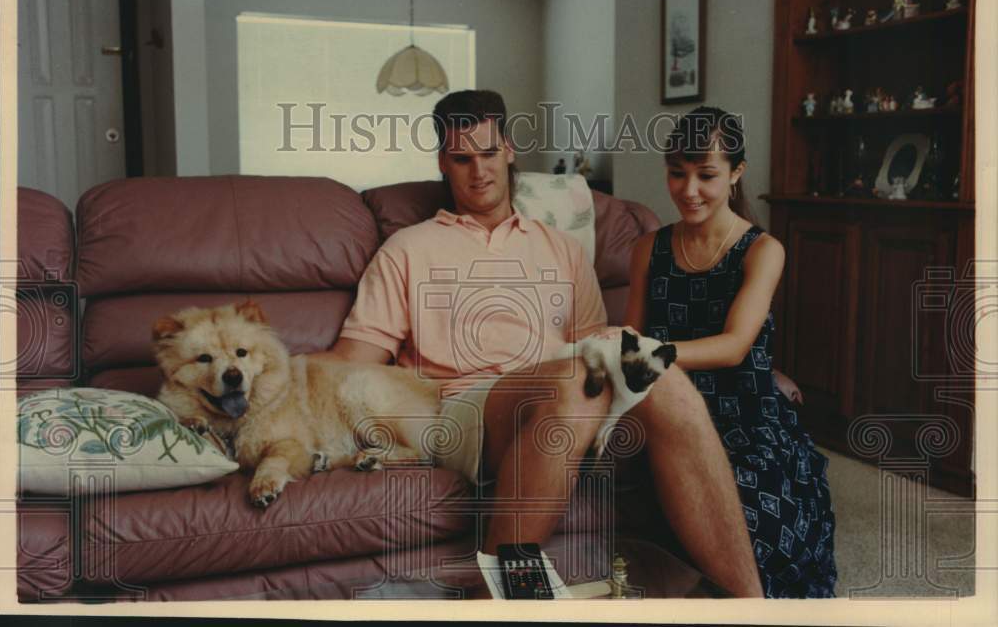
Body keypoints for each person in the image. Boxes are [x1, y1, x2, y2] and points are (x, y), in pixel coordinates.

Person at [319, 90, 764, 597]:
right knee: (574, 378)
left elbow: (592, 345)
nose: (479, 172)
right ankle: (514, 589)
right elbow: (349, 367)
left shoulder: (563, 248)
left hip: (569, 396)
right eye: (462, 159)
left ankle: (750, 605)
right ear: (443, 162)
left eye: (488, 153)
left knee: (664, 380)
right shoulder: (406, 248)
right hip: (467, 406)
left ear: (509, 149)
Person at [622, 105, 837, 597]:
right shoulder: (648, 248)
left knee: (757, 533)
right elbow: (630, 337)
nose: (688, 189)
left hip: (745, 413)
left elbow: (737, 346)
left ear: (737, 173)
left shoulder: (764, 250)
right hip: (670, 409)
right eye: (677, 173)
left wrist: (653, 353)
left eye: (707, 175)